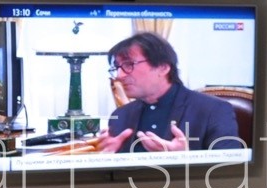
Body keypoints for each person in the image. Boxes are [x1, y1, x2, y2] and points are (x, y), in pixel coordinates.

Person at [94, 32, 242, 153]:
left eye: (128, 64)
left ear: (163, 67)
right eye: (117, 67)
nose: (119, 76)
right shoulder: (120, 115)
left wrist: (185, 160)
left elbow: (231, 170)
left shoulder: (213, 110)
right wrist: (107, 160)